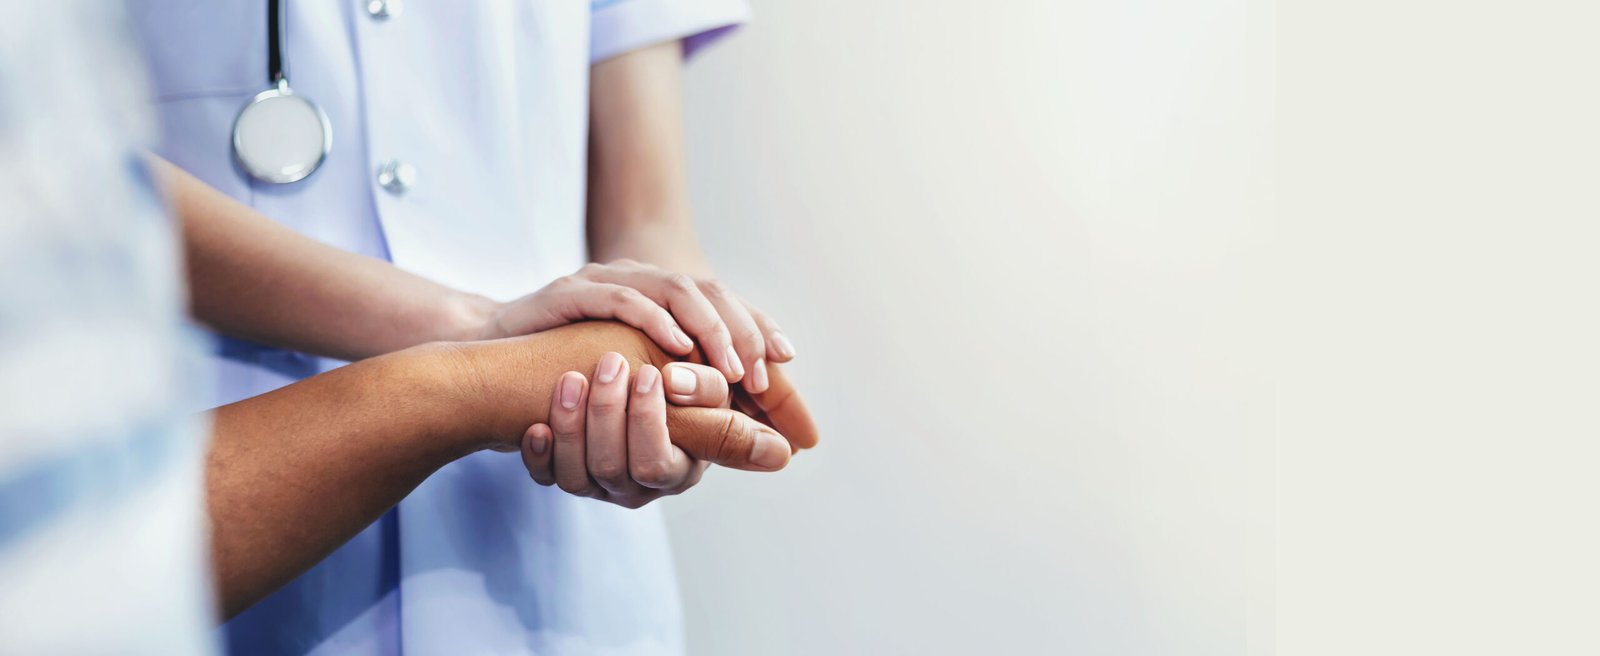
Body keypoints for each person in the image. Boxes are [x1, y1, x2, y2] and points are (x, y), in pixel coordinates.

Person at [2, 3, 814, 653]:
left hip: (544, 537)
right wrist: (476, 334)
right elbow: (47, 169)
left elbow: (648, 221)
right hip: (241, 499)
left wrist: (677, 361)